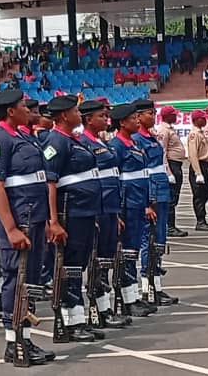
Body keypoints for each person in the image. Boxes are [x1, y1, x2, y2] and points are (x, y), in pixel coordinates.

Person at [0, 89, 58, 365]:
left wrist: (49, 220)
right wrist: (11, 229)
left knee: (31, 280)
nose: (29, 110)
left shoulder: (24, 136)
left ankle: (25, 337)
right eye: (23, 106)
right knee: (16, 278)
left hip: (34, 217)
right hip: (18, 219)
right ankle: (14, 340)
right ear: (11, 112)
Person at [43, 95, 103, 342]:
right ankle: (70, 320)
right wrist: (53, 221)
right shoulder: (56, 142)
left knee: (79, 266)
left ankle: (77, 319)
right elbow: (50, 183)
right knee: (70, 268)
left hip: (85, 212)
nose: (80, 114)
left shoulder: (73, 140)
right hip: (72, 213)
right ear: (64, 115)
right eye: (76, 111)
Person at [78, 100, 130, 329]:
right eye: (101, 116)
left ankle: (104, 306)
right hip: (97, 207)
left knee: (107, 258)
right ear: (88, 119)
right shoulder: (83, 143)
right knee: (96, 260)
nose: (105, 119)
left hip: (110, 206)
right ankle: (97, 308)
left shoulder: (101, 142)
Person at [107, 103, 156, 318]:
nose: (137, 121)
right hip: (127, 205)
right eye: (133, 118)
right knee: (126, 253)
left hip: (138, 204)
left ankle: (133, 296)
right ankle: (127, 299)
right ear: (122, 122)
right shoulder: (117, 146)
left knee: (133, 251)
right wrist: (117, 212)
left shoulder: (134, 144)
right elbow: (115, 180)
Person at [132, 99, 177, 305]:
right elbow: (141, 173)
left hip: (161, 191)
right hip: (151, 192)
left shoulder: (151, 137)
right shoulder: (137, 140)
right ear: (139, 116)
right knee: (148, 241)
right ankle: (147, 286)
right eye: (149, 113)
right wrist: (146, 203)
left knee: (159, 239)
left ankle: (157, 285)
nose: (153, 116)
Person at [157, 105, 188, 238]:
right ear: (167, 116)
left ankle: (171, 225)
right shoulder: (164, 130)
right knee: (171, 197)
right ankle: (170, 226)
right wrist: (168, 172)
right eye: (173, 114)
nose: (176, 116)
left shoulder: (169, 129)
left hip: (176, 165)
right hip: (172, 165)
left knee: (174, 197)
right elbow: (163, 152)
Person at [186, 109, 208, 232]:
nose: (205, 120)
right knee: (199, 195)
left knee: (205, 194)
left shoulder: (201, 133)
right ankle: (200, 220)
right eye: (202, 118)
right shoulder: (194, 134)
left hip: (206, 166)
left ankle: (203, 219)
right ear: (196, 120)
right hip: (199, 166)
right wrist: (198, 172)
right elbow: (193, 154)